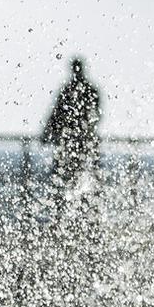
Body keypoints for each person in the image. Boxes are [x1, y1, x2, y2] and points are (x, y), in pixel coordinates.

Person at [41, 57, 101, 213]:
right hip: (79, 142)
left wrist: (48, 133)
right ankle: (84, 215)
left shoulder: (72, 91)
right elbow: (95, 116)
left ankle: (64, 214)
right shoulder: (87, 90)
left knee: (67, 179)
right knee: (82, 180)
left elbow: (56, 115)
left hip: (72, 142)